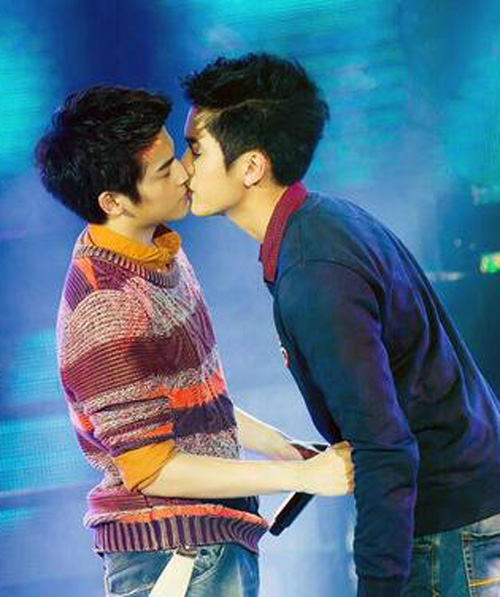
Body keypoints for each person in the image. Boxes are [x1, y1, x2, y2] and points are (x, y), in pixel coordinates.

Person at [181, 53, 500, 597]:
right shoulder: (324, 224)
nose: (184, 168)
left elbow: (385, 448)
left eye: (195, 150)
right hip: (463, 514)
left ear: (251, 166)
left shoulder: (313, 270)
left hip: (450, 533)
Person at [35, 85, 353, 597]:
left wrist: (284, 449)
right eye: (164, 171)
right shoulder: (106, 306)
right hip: (172, 556)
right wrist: (306, 478)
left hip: (204, 547)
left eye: (176, 156)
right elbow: (153, 470)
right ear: (112, 201)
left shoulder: (156, 252)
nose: (184, 172)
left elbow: (195, 403)